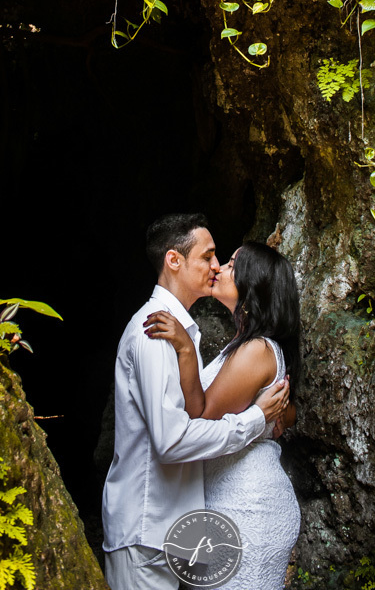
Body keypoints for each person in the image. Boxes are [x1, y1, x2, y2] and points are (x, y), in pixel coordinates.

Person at [102, 215, 290, 590]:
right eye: (209, 256)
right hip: (147, 528)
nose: (216, 266)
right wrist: (256, 420)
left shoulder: (182, 333)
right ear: (174, 261)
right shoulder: (156, 331)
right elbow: (172, 441)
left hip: (176, 531)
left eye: (223, 260)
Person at [145, 240, 301, 590]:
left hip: (249, 505)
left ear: (253, 284)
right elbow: (283, 415)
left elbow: (202, 415)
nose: (219, 268)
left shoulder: (257, 349)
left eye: (231, 264)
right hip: (228, 499)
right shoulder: (246, 345)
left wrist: (185, 349)